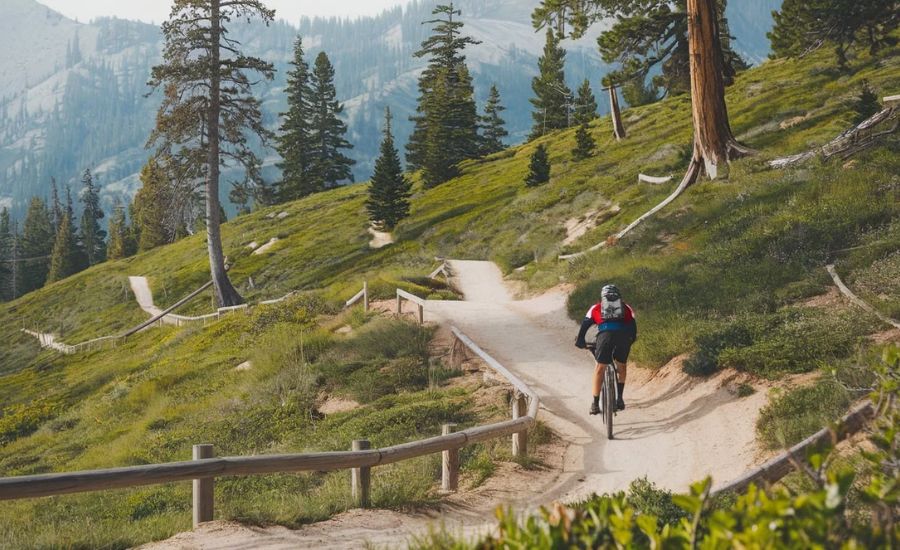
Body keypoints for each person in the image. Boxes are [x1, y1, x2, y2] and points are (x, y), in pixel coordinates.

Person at [574, 284, 637, 415]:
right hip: (624, 337)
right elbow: (633, 328)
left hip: (605, 337)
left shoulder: (596, 307)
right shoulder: (626, 307)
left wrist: (580, 342)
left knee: (600, 368)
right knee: (622, 366)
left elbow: (584, 326)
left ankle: (595, 404)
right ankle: (619, 398)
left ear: (602, 297)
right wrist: (629, 341)